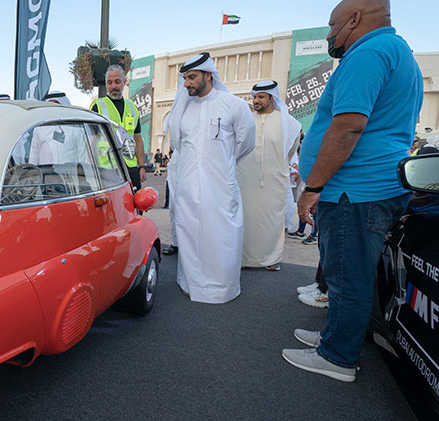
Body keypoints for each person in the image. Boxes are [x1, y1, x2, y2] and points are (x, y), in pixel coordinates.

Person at [283, 0, 423, 382]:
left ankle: (337, 356)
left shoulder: (368, 53)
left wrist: (312, 187)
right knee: (351, 273)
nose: (329, 34)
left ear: (355, 19)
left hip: (354, 191)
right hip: (369, 188)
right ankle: (336, 336)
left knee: (347, 277)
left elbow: (347, 127)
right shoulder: (398, 52)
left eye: (332, 25)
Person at [165, 52, 255, 303]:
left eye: (192, 77)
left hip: (220, 185)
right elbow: (179, 146)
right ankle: (190, 283)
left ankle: (221, 288)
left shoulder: (233, 105)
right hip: (188, 185)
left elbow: (245, 143)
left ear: (208, 75)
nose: (187, 84)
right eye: (184, 78)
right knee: (189, 233)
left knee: (222, 236)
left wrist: (221, 165)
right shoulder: (182, 110)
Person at [238, 81, 302, 271]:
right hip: (245, 178)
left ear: (272, 98)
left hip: (274, 179)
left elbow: (290, 150)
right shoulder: (246, 119)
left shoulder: (288, 123)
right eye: (255, 97)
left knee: (271, 220)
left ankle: (270, 258)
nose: (256, 101)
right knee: (246, 218)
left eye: (261, 97)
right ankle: (243, 259)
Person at [90, 65, 147, 190]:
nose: (113, 86)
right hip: (107, 168)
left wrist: (142, 166)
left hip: (130, 167)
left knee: (135, 205)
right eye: (109, 83)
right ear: (106, 84)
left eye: (117, 82)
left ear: (124, 82)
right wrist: (93, 169)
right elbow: (91, 141)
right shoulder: (98, 106)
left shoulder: (132, 107)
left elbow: (137, 139)